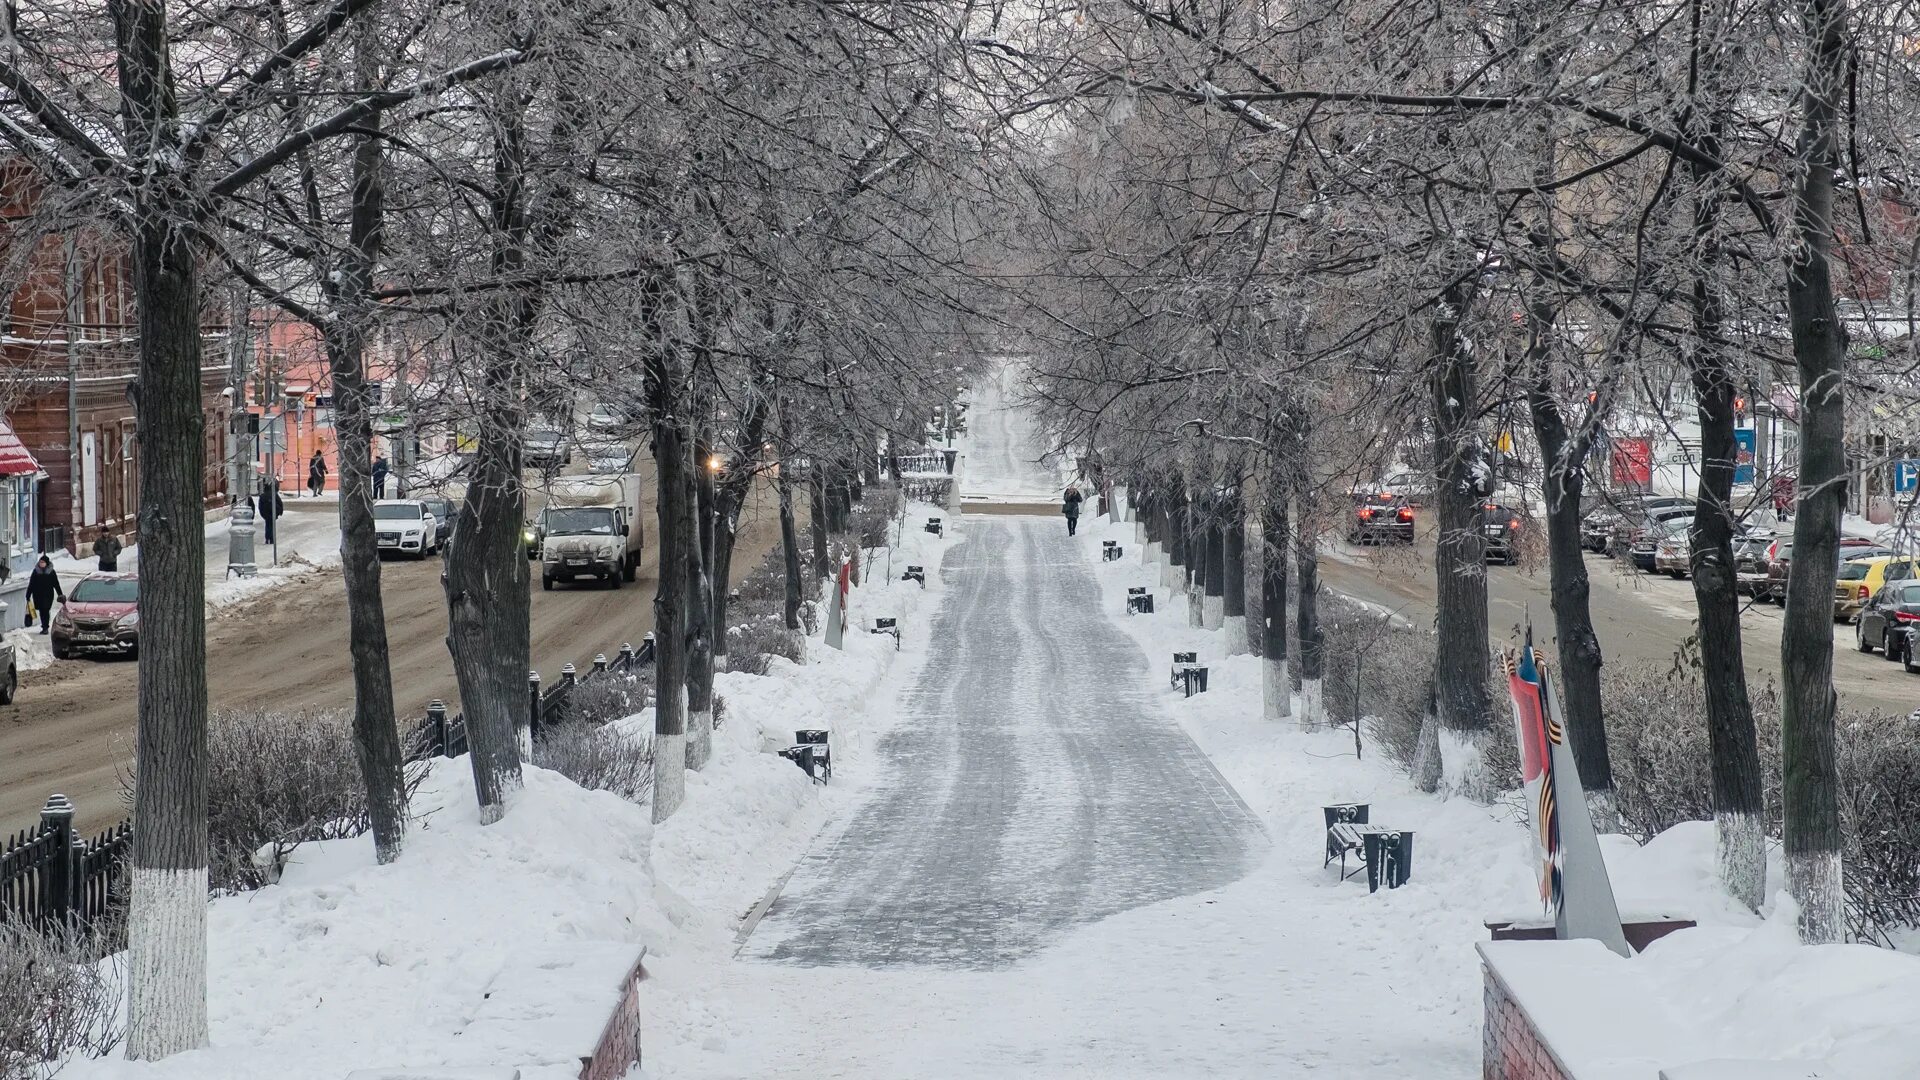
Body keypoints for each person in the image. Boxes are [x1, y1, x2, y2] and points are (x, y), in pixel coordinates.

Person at [26, 555, 62, 635]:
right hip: (38, 595)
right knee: (42, 611)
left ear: (46, 563)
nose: (41, 563)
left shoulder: (51, 572)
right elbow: (31, 584)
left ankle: (45, 627)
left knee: (45, 609)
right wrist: (28, 594)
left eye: (43, 562)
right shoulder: (36, 571)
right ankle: (44, 626)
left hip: (48, 595)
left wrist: (60, 594)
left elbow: (56, 584)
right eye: (40, 562)